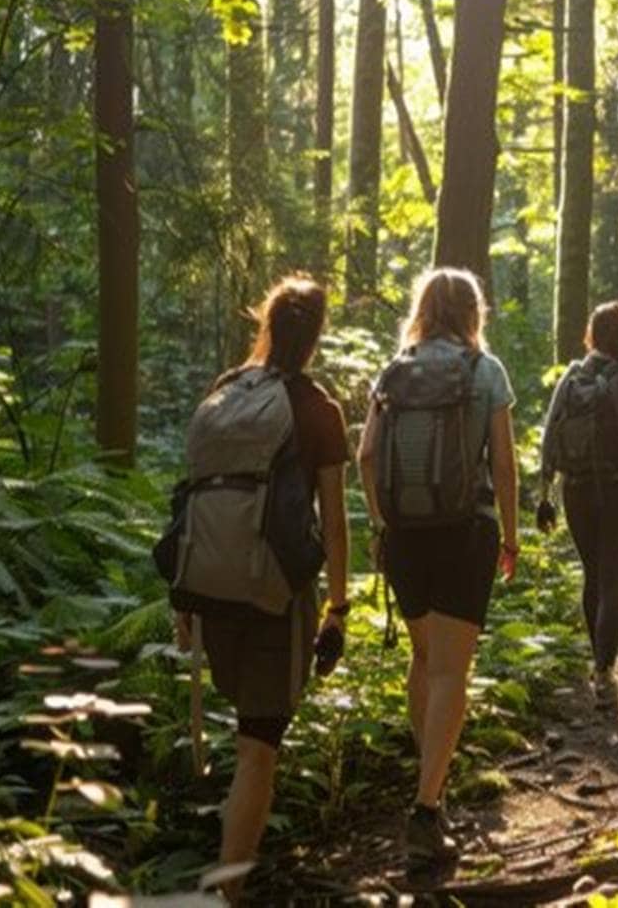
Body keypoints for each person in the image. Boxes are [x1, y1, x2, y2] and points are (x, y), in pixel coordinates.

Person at [174, 275, 350, 900]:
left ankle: (226, 872)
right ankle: (229, 891)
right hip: (277, 595)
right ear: (316, 336)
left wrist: (183, 595)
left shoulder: (224, 392)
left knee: (246, 741)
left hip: (211, 586)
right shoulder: (317, 409)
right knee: (258, 749)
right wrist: (338, 605)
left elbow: (193, 497)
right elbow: (333, 522)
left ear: (269, 326)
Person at [358, 267, 519, 868]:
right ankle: (426, 809)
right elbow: (503, 466)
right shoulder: (486, 371)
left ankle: (433, 789)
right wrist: (511, 535)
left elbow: (367, 454)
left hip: (404, 536)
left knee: (424, 659)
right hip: (465, 533)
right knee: (452, 670)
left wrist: (381, 522)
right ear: (472, 311)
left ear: (422, 309)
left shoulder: (394, 370)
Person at [539, 302, 618, 709]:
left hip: (575, 491)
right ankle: (605, 672)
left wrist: (544, 492)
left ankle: (598, 663)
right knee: (612, 583)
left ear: (591, 335)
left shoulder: (571, 378)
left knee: (592, 576)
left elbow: (549, 436)